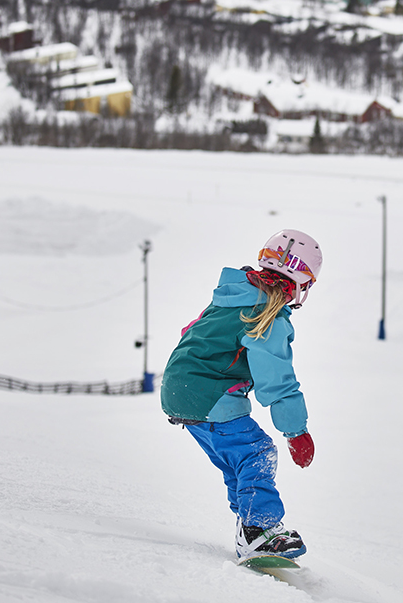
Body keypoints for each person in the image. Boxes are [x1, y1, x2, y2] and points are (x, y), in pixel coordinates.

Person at [161, 229, 321, 561]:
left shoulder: (233, 293)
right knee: (256, 451)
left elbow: (192, 332)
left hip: (179, 386)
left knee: (239, 461)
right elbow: (276, 379)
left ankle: (251, 526)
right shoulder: (268, 315)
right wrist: (296, 431)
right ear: (303, 283)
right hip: (207, 393)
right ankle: (257, 529)